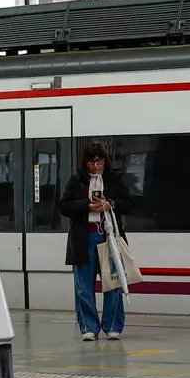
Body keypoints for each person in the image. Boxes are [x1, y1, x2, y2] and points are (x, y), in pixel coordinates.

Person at [58, 142, 134, 341]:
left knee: (114, 283)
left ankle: (113, 326)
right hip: (83, 239)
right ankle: (88, 328)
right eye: (91, 162)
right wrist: (87, 205)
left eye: (99, 161)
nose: (96, 166)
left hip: (108, 238)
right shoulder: (76, 181)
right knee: (84, 286)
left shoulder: (113, 179)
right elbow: (64, 206)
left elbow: (129, 203)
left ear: (104, 161)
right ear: (85, 163)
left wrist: (110, 204)